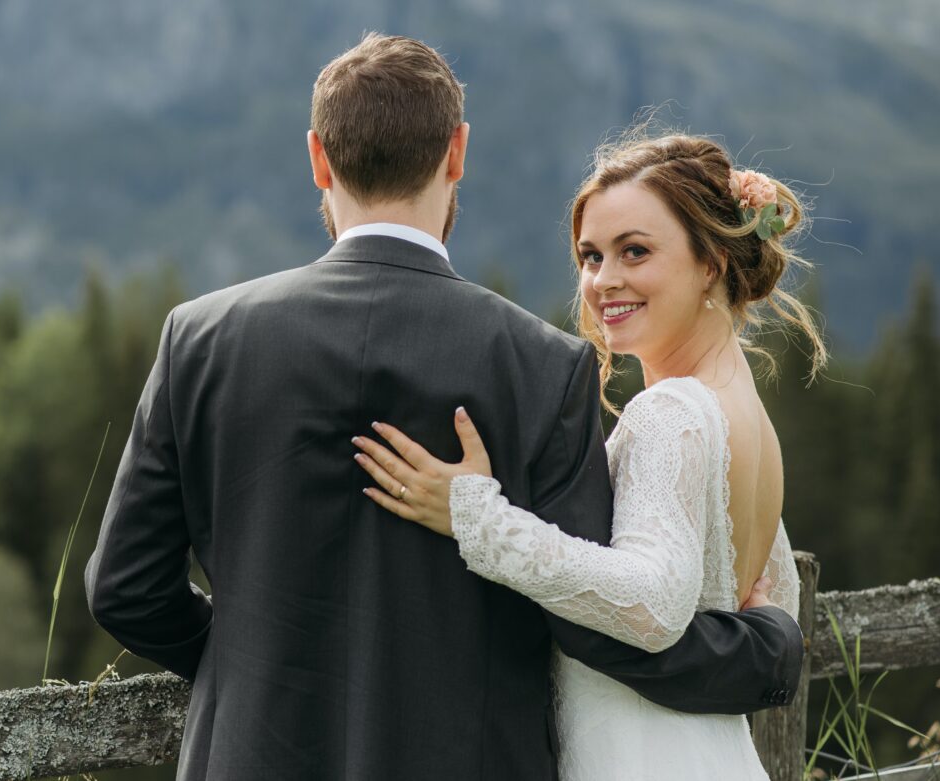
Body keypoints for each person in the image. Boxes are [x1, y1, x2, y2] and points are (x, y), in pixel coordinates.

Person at [85, 34, 804, 781]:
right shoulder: (543, 367)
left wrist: (252, 668)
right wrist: (768, 648)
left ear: (317, 159)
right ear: (457, 153)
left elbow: (126, 589)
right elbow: (593, 630)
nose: (601, 277)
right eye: (593, 255)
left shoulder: (197, 339)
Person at [353, 131, 824, 778]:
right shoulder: (746, 418)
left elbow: (654, 604)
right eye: (590, 255)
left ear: (711, 260)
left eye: (635, 251)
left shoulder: (673, 412)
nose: (604, 281)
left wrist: (478, 517)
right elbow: (775, 597)